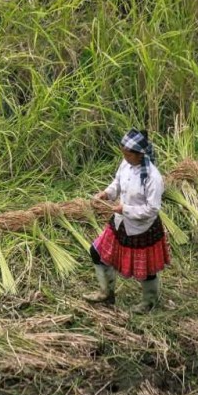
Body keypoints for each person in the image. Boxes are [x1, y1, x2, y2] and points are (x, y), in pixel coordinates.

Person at [84, 128, 171, 312]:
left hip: (142, 228)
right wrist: (106, 193)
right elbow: (117, 182)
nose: (124, 156)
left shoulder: (153, 178)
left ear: (139, 154)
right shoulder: (126, 164)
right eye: (122, 152)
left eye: (127, 153)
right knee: (96, 252)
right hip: (120, 223)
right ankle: (106, 294)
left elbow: (152, 209)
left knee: (146, 270)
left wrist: (126, 209)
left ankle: (149, 302)